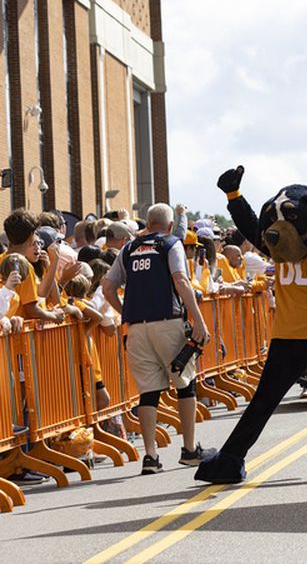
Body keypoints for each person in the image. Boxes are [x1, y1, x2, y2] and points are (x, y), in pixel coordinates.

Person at [101, 203, 213, 474]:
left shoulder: (128, 248)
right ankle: (188, 450)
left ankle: (150, 456)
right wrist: (198, 320)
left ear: (148, 224)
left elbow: (107, 286)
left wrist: (125, 311)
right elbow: (181, 281)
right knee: (184, 383)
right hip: (168, 322)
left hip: (136, 328)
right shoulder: (171, 244)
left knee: (148, 392)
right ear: (170, 226)